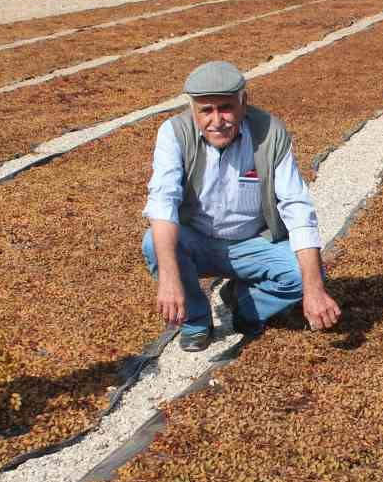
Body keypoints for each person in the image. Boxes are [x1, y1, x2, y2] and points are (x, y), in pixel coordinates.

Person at [142, 60, 341, 352]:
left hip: (253, 242)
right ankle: (196, 320)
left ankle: (245, 305)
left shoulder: (269, 133)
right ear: (193, 110)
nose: (217, 120)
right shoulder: (174, 133)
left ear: (243, 103)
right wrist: (170, 281)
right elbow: (163, 203)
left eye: (226, 108)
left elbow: (297, 207)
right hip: (197, 239)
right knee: (153, 243)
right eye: (206, 110)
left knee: (307, 276)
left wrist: (314, 291)